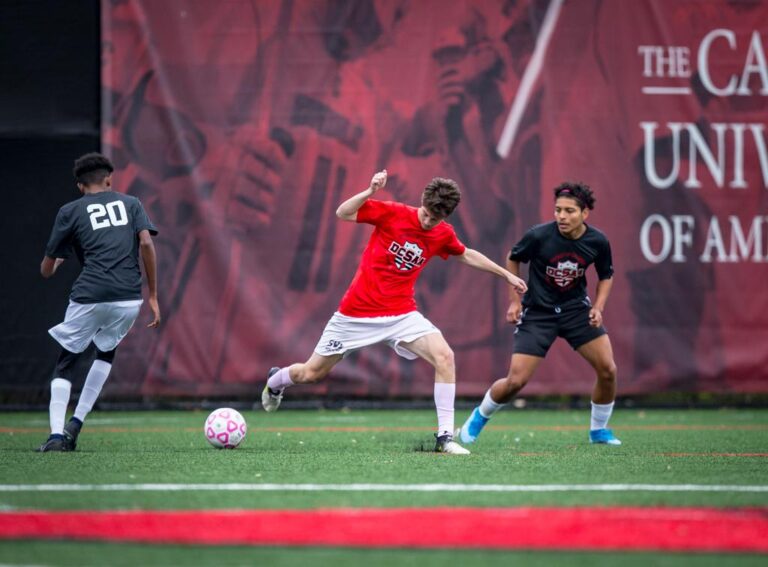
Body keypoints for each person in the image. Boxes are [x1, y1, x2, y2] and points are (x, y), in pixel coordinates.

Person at [262, 169, 527, 454]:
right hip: (355, 314)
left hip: (401, 314)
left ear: (445, 217)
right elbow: (343, 212)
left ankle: (445, 438)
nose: (428, 221)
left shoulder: (442, 233)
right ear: (422, 202)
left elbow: (466, 254)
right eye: (426, 214)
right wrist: (369, 191)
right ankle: (276, 381)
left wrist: (506, 275)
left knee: (445, 357)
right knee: (310, 373)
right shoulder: (392, 213)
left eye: (435, 218)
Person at [458, 182, 621, 446]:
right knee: (515, 381)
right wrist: (515, 302)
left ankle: (599, 431)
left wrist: (598, 308)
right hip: (538, 314)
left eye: (569, 211)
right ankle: (478, 417)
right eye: (558, 210)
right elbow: (513, 257)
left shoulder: (598, 241)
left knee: (608, 370)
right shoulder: (539, 235)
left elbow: (606, 276)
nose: (562, 216)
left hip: (576, 311)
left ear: (585, 214)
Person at [36, 152, 160, 452]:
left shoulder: (70, 211)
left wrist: (54, 263)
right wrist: (153, 295)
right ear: (109, 180)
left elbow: (47, 269)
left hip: (90, 295)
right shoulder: (131, 203)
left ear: (80, 186)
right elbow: (145, 242)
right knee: (105, 352)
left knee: (66, 362)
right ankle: (76, 423)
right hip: (129, 298)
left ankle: (55, 436)